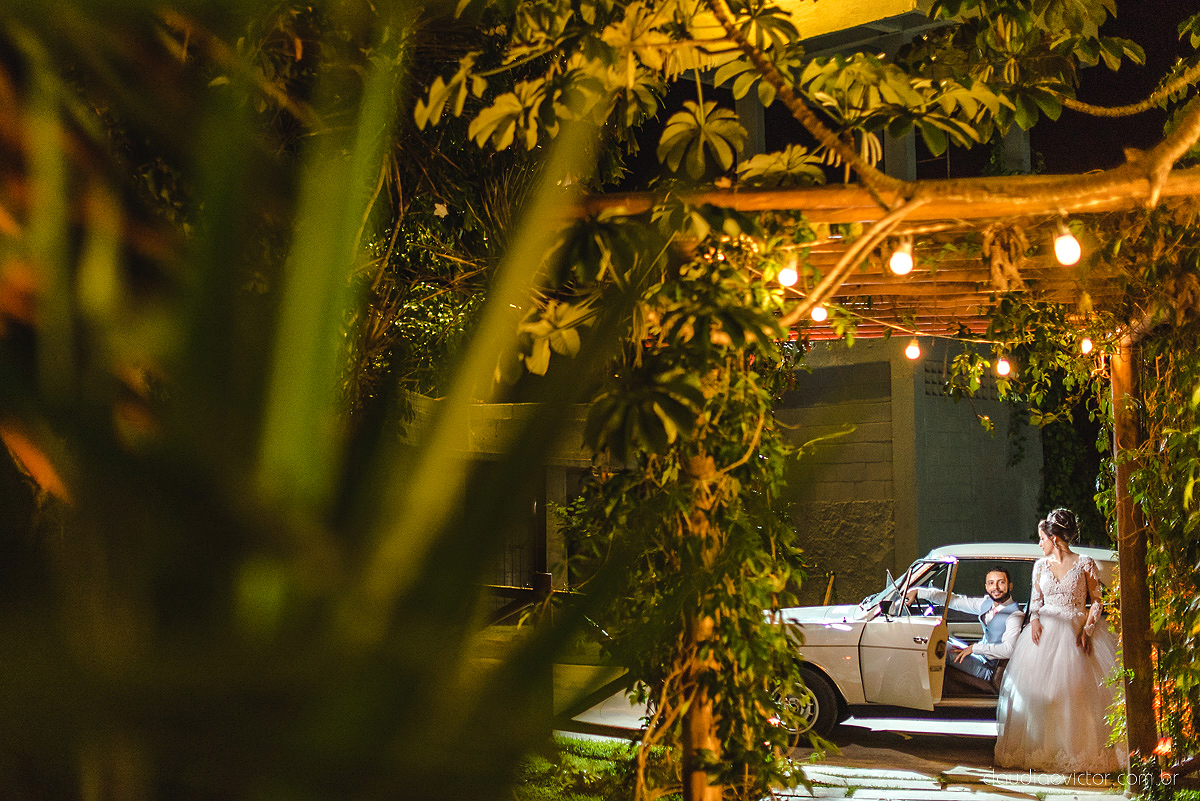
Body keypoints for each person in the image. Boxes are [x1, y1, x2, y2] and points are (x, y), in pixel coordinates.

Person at [994, 508, 1126, 774]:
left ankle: (1078, 751)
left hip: (1077, 631)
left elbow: (1097, 600)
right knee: (1041, 694)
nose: (1039, 544)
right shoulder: (1040, 566)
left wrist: (1087, 630)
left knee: (1078, 694)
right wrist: (1034, 621)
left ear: (1054, 538)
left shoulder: (1085, 562)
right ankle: (1045, 748)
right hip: (1045, 634)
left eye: (1041, 538)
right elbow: (1036, 600)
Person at [907, 566, 1023, 693]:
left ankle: (924, 693)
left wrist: (974, 648)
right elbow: (956, 601)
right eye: (991, 583)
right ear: (986, 587)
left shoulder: (1014, 616)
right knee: (946, 642)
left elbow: (1009, 650)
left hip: (989, 669)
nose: (995, 587)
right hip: (980, 657)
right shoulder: (986, 603)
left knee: (938, 649)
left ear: (1010, 586)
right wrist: (920, 592)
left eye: (1001, 582)